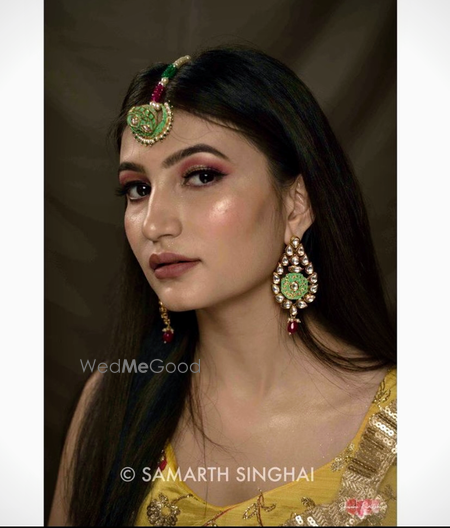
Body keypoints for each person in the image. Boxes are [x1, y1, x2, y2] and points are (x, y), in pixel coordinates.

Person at [49, 46, 396, 527]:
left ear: (296, 205)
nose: (155, 224)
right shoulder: (112, 402)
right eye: (138, 189)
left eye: (202, 176)